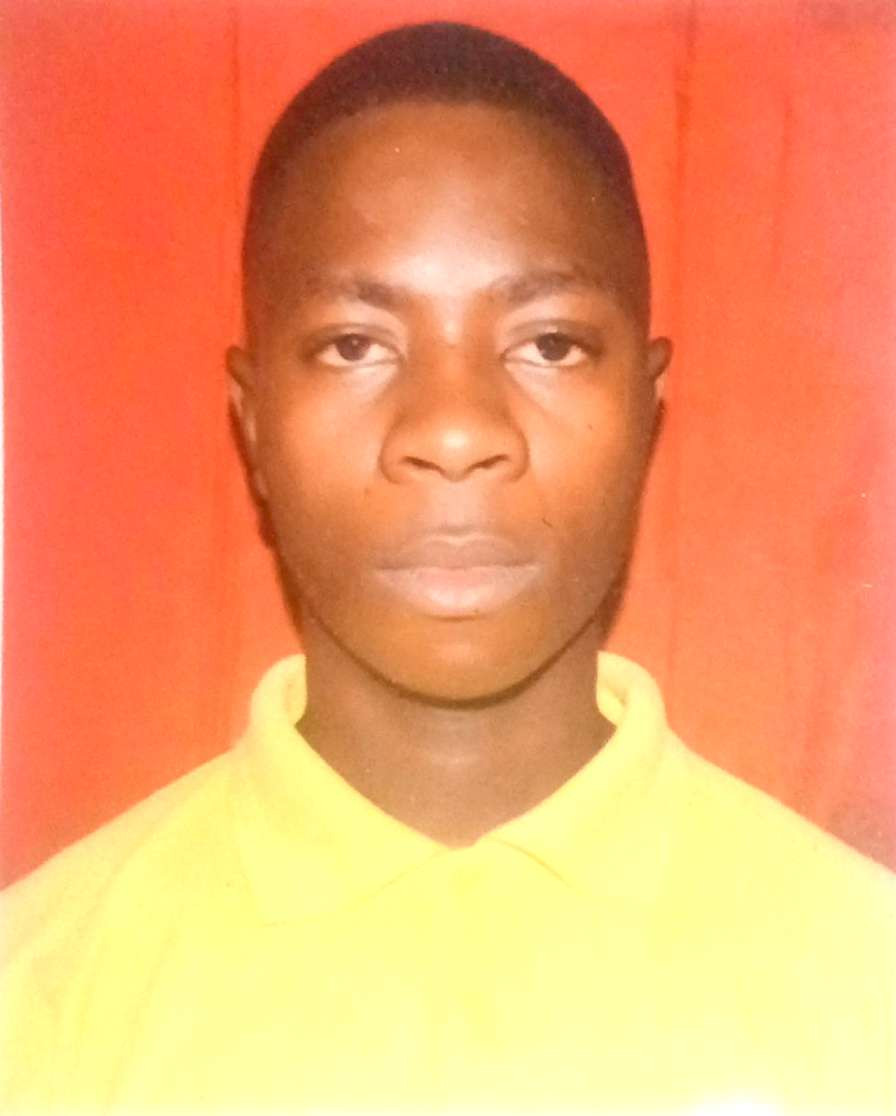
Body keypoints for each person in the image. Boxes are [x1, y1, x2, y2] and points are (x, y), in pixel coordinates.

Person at [2, 21, 893, 1114]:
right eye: (354, 345)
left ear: (644, 411)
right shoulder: (40, 999)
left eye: (549, 344)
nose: (456, 430)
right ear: (254, 424)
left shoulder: (864, 981)